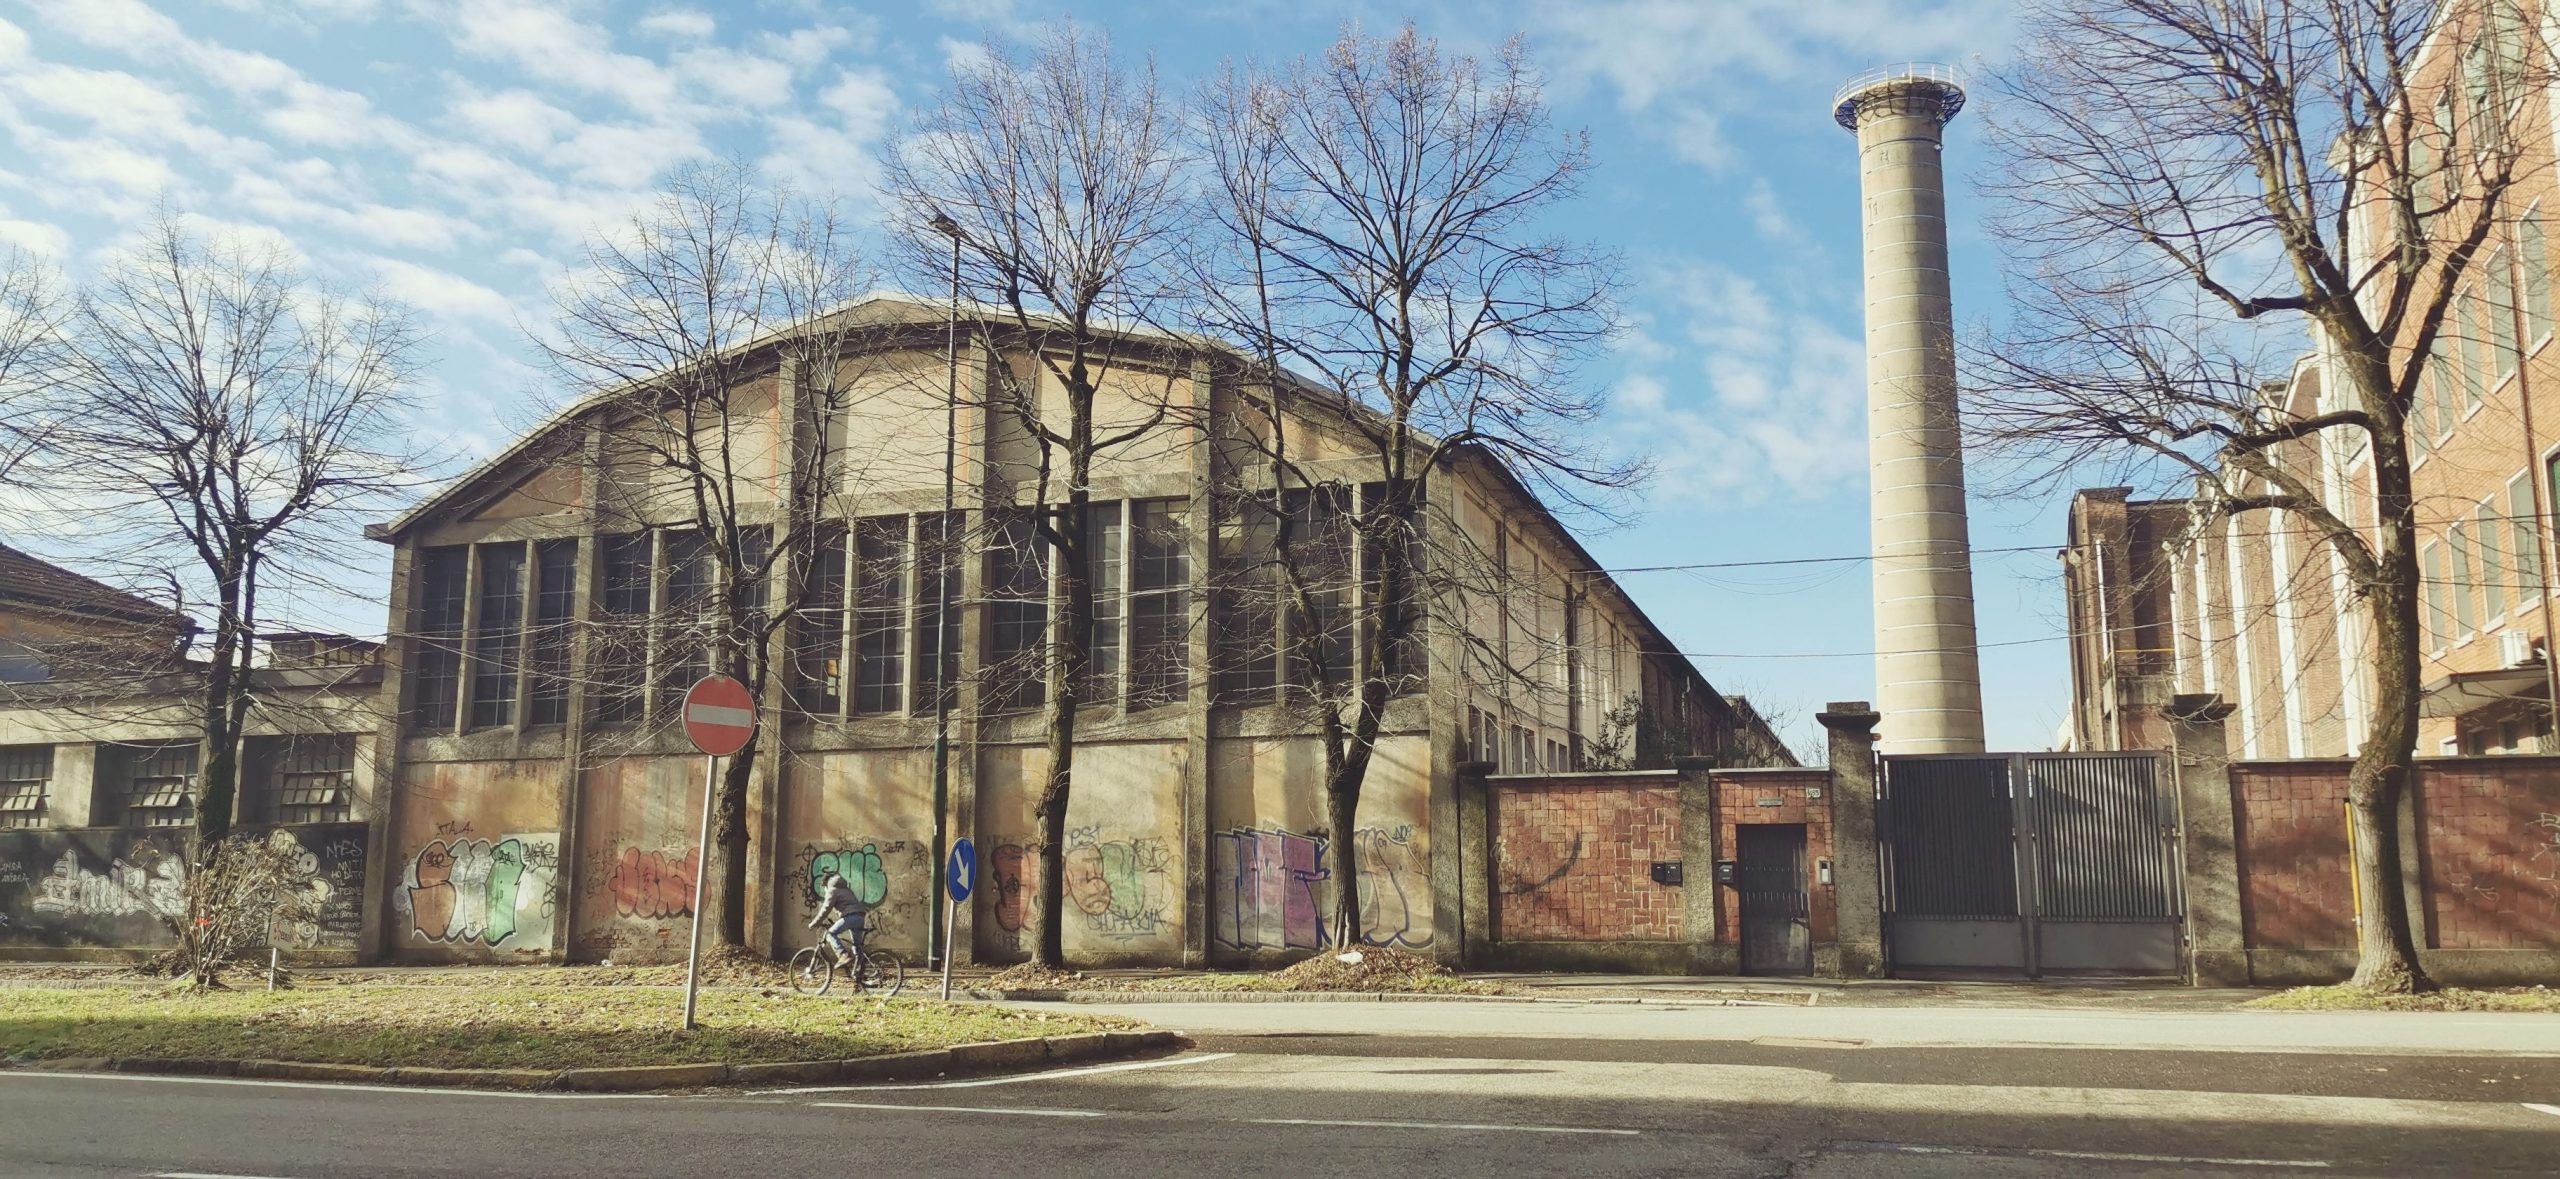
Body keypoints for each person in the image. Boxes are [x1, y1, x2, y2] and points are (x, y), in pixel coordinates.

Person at [808, 870, 870, 965]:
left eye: (824, 887)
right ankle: (859, 971)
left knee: (830, 934)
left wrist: (814, 923)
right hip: (860, 917)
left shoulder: (832, 890)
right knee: (857, 945)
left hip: (850, 917)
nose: (824, 890)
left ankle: (843, 955)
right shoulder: (846, 889)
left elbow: (825, 909)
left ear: (826, 884)